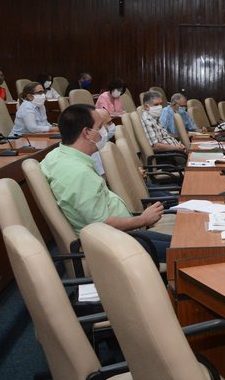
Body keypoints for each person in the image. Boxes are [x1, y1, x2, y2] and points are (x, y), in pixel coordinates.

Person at [40, 104, 169, 262]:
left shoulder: (57, 155)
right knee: (191, 253)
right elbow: (102, 224)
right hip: (112, 243)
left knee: (181, 245)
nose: (104, 132)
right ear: (87, 133)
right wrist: (143, 220)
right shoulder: (77, 173)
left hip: (120, 233)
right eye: (100, 127)